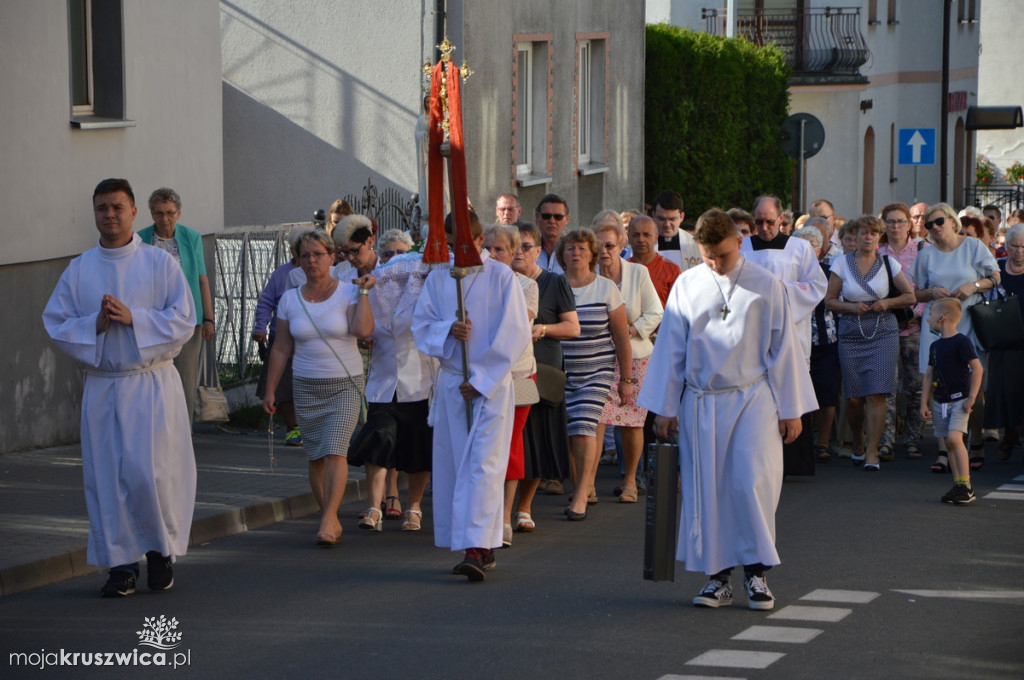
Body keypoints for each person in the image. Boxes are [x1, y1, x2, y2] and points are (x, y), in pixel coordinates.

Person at [638, 208, 817, 611]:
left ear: (739, 242)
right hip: (701, 400)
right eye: (708, 256)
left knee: (750, 483)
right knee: (707, 489)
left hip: (752, 397)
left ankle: (757, 573)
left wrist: (791, 409)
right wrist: (665, 408)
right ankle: (717, 578)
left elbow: (782, 349)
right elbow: (671, 349)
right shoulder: (688, 283)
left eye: (722, 255)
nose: (716, 264)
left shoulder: (767, 284)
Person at [43, 178, 197, 597]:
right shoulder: (79, 269)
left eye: (117, 207)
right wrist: (93, 324)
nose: (109, 215)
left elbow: (184, 319)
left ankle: (159, 551)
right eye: (101, 208)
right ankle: (120, 565)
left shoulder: (160, 264)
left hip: (151, 384)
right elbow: (55, 323)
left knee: (150, 476)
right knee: (108, 478)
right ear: (95, 213)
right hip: (105, 386)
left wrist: (136, 319)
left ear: (133, 213)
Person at [412, 211, 531, 580]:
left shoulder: (501, 277)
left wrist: (480, 378)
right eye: (448, 245)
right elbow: (421, 324)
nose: (453, 253)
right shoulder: (438, 277)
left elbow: (513, 333)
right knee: (455, 466)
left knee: (484, 466)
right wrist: (450, 328)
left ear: (479, 240)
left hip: (490, 387)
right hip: (451, 384)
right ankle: (479, 541)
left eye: (460, 245)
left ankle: (476, 549)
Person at [262, 229, 375, 546]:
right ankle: (332, 515)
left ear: (331, 258)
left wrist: (364, 294)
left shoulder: (349, 291)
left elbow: (363, 331)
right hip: (305, 385)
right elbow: (281, 348)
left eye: (318, 254)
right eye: (305, 255)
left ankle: (327, 518)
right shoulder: (289, 299)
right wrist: (271, 391)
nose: (311, 260)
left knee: (335, 449)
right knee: (315, 456)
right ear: (297, 260)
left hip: (345, 383)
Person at [910, 203, 999, 473]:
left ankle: (976, 443)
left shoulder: (973, 247)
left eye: (938, 222)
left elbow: (995, 276)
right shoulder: (926, 254)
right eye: (929, 225)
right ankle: (943, 451)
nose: (934, 228)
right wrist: (932, 292)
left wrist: (971, 286)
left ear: (952, 221)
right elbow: (916, 293)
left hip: (968, 321)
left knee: (973, 382)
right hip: (936, 325)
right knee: (938, 382)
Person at [824, 215, 917, 470]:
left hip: (883, 330)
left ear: (879, 238)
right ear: (856, 235)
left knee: (877, 392)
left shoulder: (889, 263)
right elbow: (829, 301)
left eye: (873, 233)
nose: (868, 237)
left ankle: (873, 452)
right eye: (864, 232)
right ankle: (857, 440)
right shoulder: (841, 263)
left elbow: (909, 296)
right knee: (854, 397)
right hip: (852, 331)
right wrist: (852, 307)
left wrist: (887, 302)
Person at [557, 228, 633, 520]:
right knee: (570, 433)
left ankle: (579, 497)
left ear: (592, 255)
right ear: (562, 255)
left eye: (582, 248)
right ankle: (583, 485)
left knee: (585, 427)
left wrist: (625, 380)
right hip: (562, 372)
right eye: (570, 248)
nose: (576, 253)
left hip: (597, 372)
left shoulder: (605, 288)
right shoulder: (554, 286)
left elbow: (622, 337)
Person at [591, 216, 663, 503]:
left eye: (610, 245)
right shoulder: (586, 274)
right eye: (598, 245)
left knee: (631, 421)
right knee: (594, 420)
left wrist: (628, 331)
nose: (604, 251)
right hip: (596, 357)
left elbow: (655, 313)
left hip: (635, 356)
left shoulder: (638, 273)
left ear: (621, 245)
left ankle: (631, 482)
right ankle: (588, 483)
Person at [511, 223, 580, 522]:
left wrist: (544, 328)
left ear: (538, 251)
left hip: (542, 371)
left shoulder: (554, 282)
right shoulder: (502, 282)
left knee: (536, 441)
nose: (518, 253)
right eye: (512, 246)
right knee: (514, 443)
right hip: (507, 372)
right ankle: (502, 510)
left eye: (525, 246)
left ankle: (524, 508)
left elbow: (573, 327)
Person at [137, 188, 214, 427]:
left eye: (170, 212)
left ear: (178, 213)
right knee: (151, 375)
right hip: (153, 318)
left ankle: (183, 431)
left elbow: (201, 278)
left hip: (188, 318)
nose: (164, 218)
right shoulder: (140, 239)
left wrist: (209, 318)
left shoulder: (191, 237)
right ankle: (156, 427)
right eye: (159, 213)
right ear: (152, 213)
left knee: (186, 376)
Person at [483, 224, 538, 546]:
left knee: (511, 443)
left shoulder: (526, 285)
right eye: (487, 248)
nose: (491, 255)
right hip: (480, 377)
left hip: (517, 374)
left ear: (514, 252)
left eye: (499, 250)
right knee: (485, 445)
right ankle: (485, 513)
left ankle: (505, 515)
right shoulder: (474, 283)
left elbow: (518, 323)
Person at [877, 202, 928, 459]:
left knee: (915, 386)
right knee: (886, 387)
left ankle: (913, 437)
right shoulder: (878, 253)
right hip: (885, 327)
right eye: (890, 221)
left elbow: (929, 286)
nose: (895, 226)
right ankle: (886, 439)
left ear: (909, 224)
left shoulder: (922, 250)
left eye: (900, 221)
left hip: (914, 327)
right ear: (883, 225)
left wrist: (915, 313)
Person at [921, 298, 983, 505]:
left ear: (942, 317)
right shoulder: (936, 346)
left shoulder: (961, 341)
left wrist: (972, 398)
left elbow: (977, 369)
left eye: (931, 314)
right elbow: (929, 375)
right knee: (948, 442)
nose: (928, 319)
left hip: (960, 400)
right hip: (941, 401)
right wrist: (924, 403)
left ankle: (966, 486)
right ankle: (958, 485)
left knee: (956, 439)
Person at [794, 226, 840, 463]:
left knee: (826, 393)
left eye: (812, 244)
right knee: (799, 395)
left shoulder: (831, 272)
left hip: (825, 342)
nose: (807, 248)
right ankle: (800, 445)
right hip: (797, 344)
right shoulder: (789, 272)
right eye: (802, 243)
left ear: (821, 249)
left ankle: (822, 443)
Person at [253, 231, 303, 445]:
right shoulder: (281, 274)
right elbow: (266, 302)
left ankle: (309, 427)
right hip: (282, 337)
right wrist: (260, 327)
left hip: (307, 339)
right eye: (300, 250)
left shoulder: (327, 272)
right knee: (284, 388)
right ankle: (293, 428)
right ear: (293, 251)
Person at [986, 223, 1024, 461]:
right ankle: (1009, 435)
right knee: (1007, 392)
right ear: (1006, 246)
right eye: (1015, 245)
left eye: (1023, 246)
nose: (1019, 250)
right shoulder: (997, 270)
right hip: (1004, 339)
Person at [628, 214, 681, 306]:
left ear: (656, 238)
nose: (641, 239)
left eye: (646, 235)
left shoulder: (672, 270)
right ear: (628, 238)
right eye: (636, 235)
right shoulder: (620, 269)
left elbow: (678, 308)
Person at [651, 190, 701, 270]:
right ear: (653, 215)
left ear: (682, 217)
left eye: (672, 219)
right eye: (661, 219)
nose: (667, 224)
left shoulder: (695, 245)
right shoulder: (642, 244)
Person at [535, 193, 571, 274]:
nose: (552, 221)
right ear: (537, 217)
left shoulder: (574, 251)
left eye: (558, 217)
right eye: (546, 216)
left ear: (567, 219)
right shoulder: (527, 249)